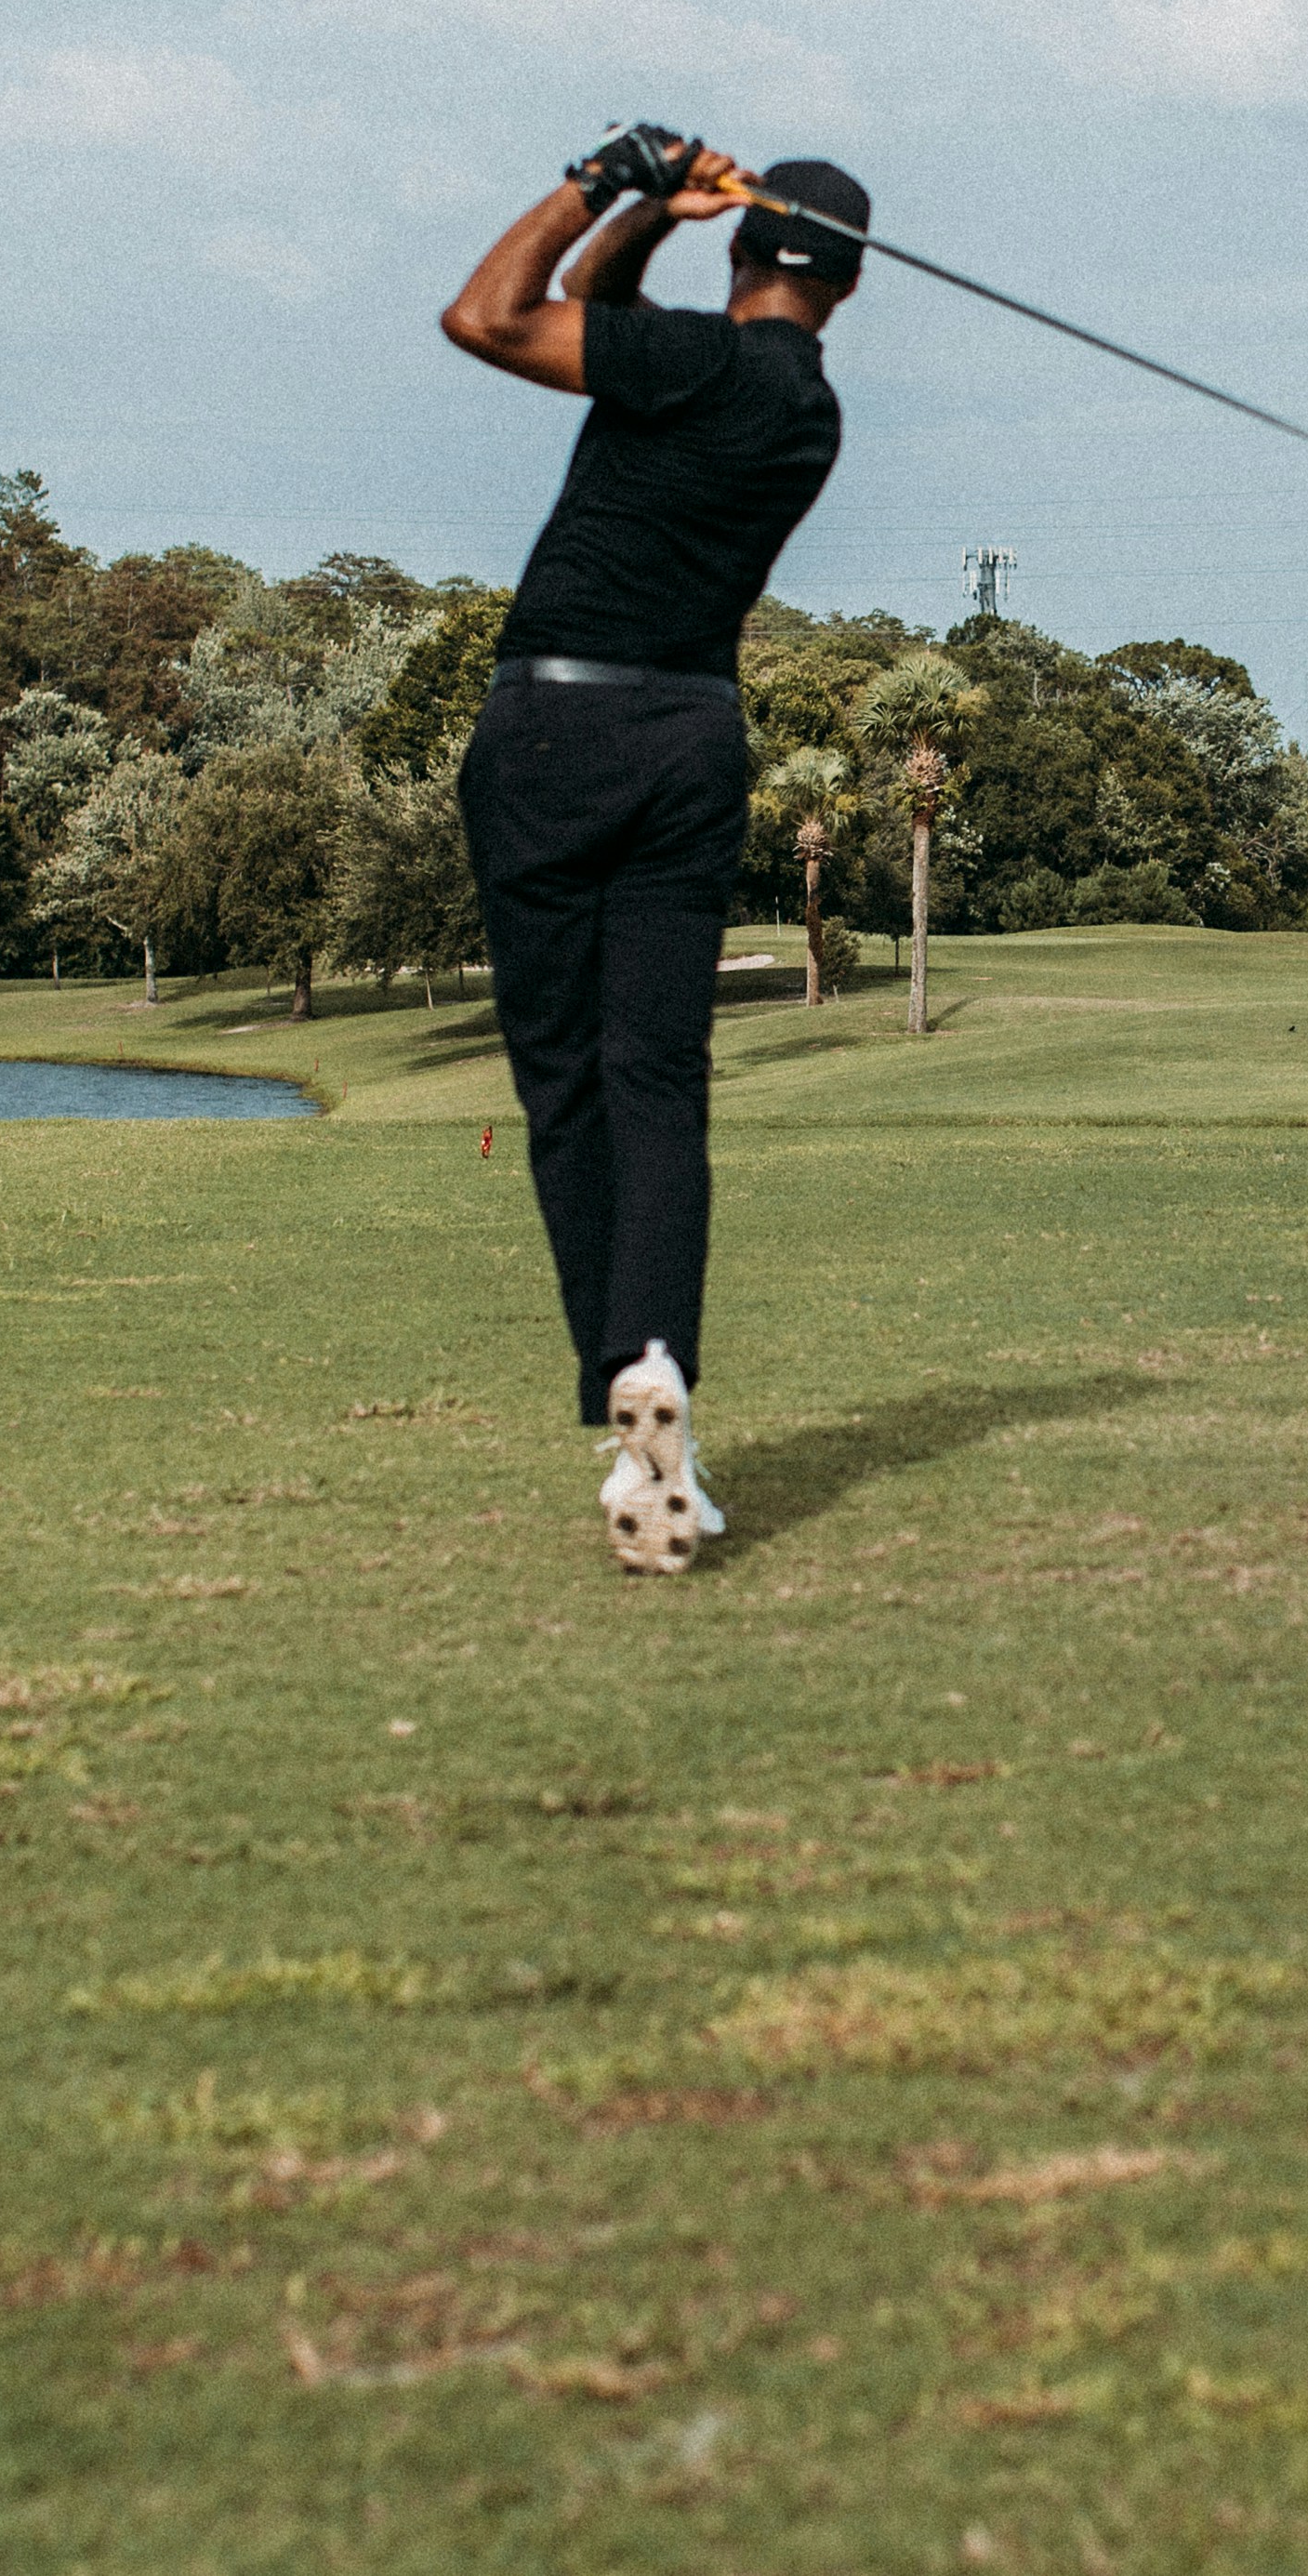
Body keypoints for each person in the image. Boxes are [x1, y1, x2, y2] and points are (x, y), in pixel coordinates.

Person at [439, 125, 866, 1574]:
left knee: (566, 1088)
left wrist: (601, 180)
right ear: (846, 291)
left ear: (745, 250)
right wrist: (656, 226)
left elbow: (485, 317)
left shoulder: (688, 364)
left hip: (557, 728)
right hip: (693, 736)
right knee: (658, 1083)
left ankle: (624, 1366)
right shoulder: (806, 410)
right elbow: (608, 326)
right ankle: (657, 1380)